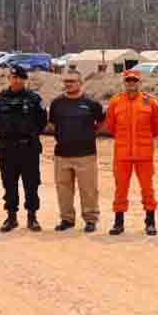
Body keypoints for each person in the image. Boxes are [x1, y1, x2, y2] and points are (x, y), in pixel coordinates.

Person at [0, 65, 48, 232]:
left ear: (25, 80)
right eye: (13, 77)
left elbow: (42, 121)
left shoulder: (34, 99)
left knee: (31, 183)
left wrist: (29, 135)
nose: (17, 80)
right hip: (7, 149)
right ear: (9, 78)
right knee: (9, 183)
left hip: (28, 148)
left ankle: (32, 217)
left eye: (20, 78)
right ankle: (11, 217)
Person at [105, 70, 158, 236]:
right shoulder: (115, 102)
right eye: (128, 80)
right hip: (122, 154)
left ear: (139, 82)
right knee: (120, 188)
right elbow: (110, 126)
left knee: (148, 189)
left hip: (144, 154)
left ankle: (150, 221)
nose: (131, 83)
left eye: (134, 80)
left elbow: (157, 127)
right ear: (124, 82)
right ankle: (118, 222)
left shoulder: (150, 102)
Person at [49, 70, 105, 233]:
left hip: (86, 154)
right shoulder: (57, 103)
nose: (69, 84)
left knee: (88, 189)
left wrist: (88, 134)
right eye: (66, 81)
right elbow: (53, 124)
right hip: (62, 154)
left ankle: (90, 219)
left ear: (81, 83)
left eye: (72, 81)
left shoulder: (91, 103)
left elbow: (101, 122)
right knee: (63, 189)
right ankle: (67, 219)